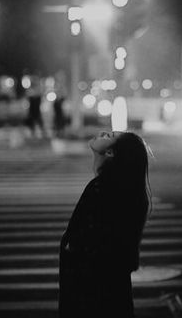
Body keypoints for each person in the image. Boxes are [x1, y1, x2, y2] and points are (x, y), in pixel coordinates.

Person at [59, 130, 152, 318]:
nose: (102, 133)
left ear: (110, 153)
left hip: (91, 293)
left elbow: (86, 244)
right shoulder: (119, 189)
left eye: (109, 136)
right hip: (111, 289)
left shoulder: (102, 190)